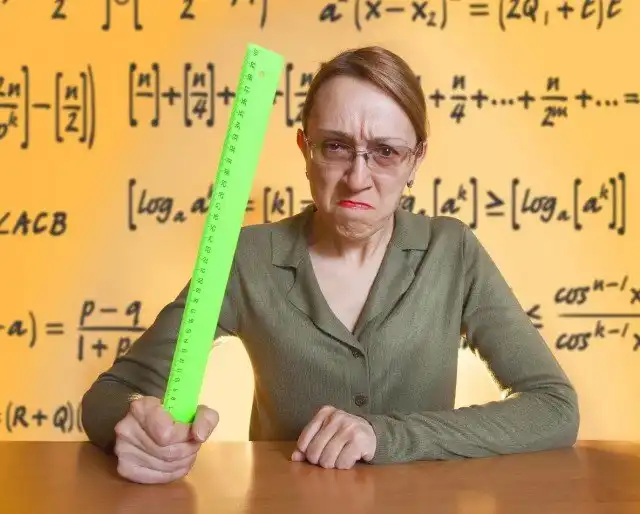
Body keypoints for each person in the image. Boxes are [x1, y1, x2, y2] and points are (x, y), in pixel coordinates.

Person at [81, 45, 580, 484]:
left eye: (385, 152)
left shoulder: (453, 251)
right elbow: (110, 394)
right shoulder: (248, 257)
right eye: (336, 147)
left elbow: (554, 407)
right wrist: (136, 422)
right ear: (305, 149)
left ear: (416, 159)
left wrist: (385, 436)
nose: (358, 178)